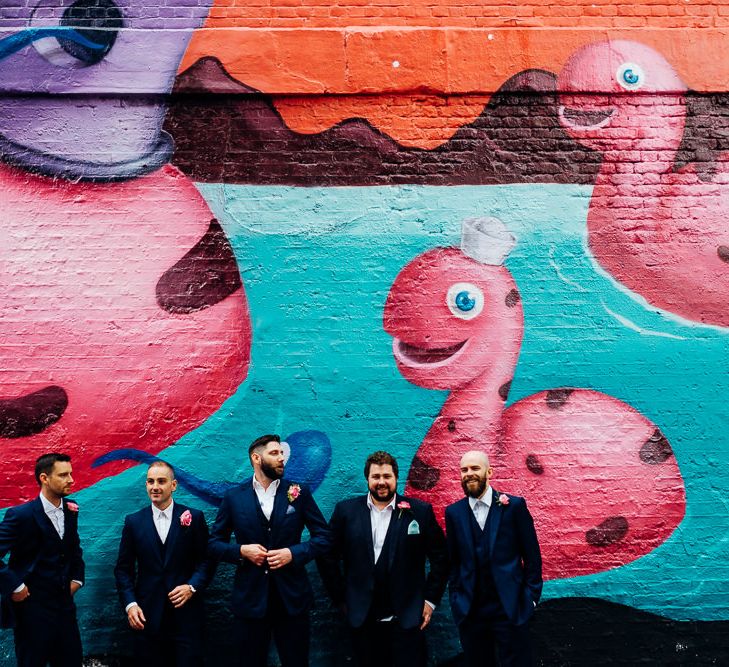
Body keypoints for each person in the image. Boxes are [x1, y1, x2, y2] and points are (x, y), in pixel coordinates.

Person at [208, 434, 330, 667]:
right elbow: (214, 544)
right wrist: (242, 551)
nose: (281, 458)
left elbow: (324, 538)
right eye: (274, 453)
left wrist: (293, 554)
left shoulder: (298, 493)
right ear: (256, 458)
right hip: (250, 600)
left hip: (292, 599)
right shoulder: (234, 497)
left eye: (282, 453)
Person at [318, 451, 448, 667]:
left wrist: (430, 601)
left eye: (387, 476)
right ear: (367, 479)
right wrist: (341, 598)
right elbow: (326, 555)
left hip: (407, 619)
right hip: (361, 618)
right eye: (376, 477)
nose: (381, 482)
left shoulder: (419, 512)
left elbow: (442, 557)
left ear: (396, 478)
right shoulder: (346, 511)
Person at [445, 450, 543, 667]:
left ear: (489, 472)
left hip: (510, 608)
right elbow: (453, 562)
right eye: (464, 470)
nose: (469, 473)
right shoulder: (454, 513)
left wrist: (530, 599)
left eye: (475, 468)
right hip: (471, 612)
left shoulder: (514, 507)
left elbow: (532, 557)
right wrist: (457, 600)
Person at [114, 460, 213, 666]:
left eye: (161, 481)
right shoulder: (133, 522)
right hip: (147, 616)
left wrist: (192, 587)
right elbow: (123, 570)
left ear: (173, 485)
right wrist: (131, 605)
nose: (155, 486)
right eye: (150, 481)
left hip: (186, 617)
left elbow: (207, 560)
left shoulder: (194, 517)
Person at [0, 452, 85, 667]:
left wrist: (77, 578)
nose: (71, 480)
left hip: (65, 609)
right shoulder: (20, 516)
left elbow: (74, 548)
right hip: (31, 611)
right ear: (44, 478)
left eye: (71, 474)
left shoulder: (71, 509)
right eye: (63, 475)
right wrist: (14, 585)